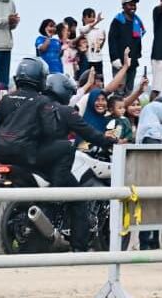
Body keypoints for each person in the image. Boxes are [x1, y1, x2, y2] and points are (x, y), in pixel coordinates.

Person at [39, 72, 116, 252]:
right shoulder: (67, 111)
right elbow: (88, 133)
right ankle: (79, 247)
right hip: (58, 161)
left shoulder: (38, 106)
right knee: (79, 198)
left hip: (33, 158)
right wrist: (108, 141)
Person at [109, 0, 145, 92]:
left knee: (129, 91)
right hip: (120, 62)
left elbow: (138, 40)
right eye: (130, 4)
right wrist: (114, 58)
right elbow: (111, 39)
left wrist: (137, 56)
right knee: (119, 90)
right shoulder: (117, 21)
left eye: (134, 5)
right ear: (124, 6)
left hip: (132, 62)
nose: (133, 7)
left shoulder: (137, 22)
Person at [81, 8, 106, 77]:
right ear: (83, 18)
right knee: (87, 80)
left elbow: (103, 41)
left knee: (99, 80)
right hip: (87, 60)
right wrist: (97, 21)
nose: (92, 19)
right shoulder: (82, 29)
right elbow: (85, 30)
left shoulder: (99, 30)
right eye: (89, 16)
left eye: (93, 16)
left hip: (98, 60)